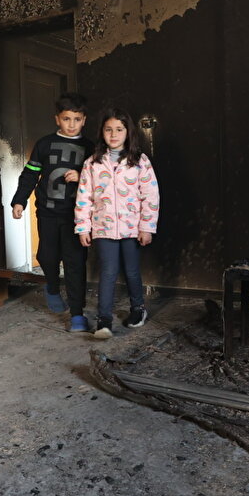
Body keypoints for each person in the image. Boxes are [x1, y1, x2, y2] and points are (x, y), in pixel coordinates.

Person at [10, 93, 95, 332]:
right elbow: (30, 175)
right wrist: (20, 200)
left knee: (75, 262)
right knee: (46, 256)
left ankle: (77, 314)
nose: (71, 124)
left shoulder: (90, 148)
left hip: (76, 217)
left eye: (76, 119)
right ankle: (52, 287)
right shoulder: (44, 144)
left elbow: (101, 179)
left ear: (84, 120)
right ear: (57, 119)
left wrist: (82, 176)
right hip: (47, 212)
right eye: (66, 119)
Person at [74, 108, 160, 339]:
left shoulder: (139, 161)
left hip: (132, 228)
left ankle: (138, 309)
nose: (113, 135)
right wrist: (83, 227)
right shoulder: (92, 163)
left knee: (132, 271)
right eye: (108, 129)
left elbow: (150, 195)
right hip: (103, 227)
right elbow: (84, 196)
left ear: (128, 132)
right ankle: (104, 321)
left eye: (119, 130)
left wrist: (146, 227)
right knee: (108, 272)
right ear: (102, 132)